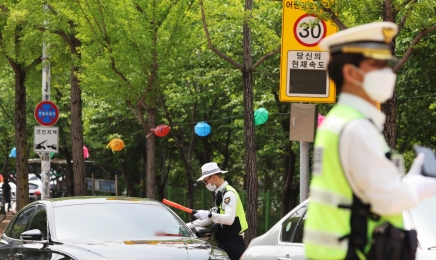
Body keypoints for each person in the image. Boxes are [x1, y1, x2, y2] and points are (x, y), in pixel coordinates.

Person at [302, 22, 436, 259]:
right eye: (377, 65)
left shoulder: (337, 122)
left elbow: (363, 190)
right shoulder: (357, 128)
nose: (387, 72)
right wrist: (420, 184)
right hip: (353, 252)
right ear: (351, 73)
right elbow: (388, 200)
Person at [186, 162, 247, 260]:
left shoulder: (228, 194)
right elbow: (211, 219)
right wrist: (186, 226)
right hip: (226, 242)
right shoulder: (220, 194)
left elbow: (229, 219)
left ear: (214, 177)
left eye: (205, 181)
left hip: (234, 243)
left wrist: (209, 214)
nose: (205, 185)